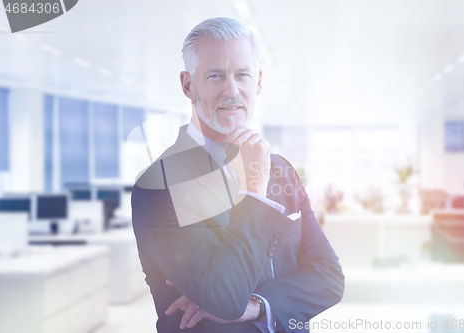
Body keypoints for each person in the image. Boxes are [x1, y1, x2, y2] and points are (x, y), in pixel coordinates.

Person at [132, 17, 344, 333]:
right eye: (215, 76)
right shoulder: (159, 186)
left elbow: (329, 277)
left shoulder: (282, 169)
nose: (232, 90)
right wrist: (255, 191)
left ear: (258, 81)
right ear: (188, 85)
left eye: (242, 75)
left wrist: (257, 306)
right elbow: (225, 298)